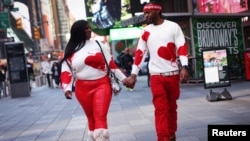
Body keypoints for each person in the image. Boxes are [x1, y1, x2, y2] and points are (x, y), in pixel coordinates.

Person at [124, 1, 189, 141]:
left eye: (148, 12)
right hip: (156, 77)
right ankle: (163, 138)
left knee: (172, 107)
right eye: (145, 12)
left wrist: (185, 66)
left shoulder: (173, 27)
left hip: (173, 75)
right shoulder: (146, 32)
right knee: (160, 109)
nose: (146, 15)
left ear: (157, 11)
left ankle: (171, 134)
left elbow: (182, 47)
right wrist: (133, 74)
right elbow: (140, 53)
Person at [60, 19, 127, 141]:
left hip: (102, 85)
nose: (89, 30)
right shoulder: (70, 50)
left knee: (100, 116)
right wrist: (67, 88)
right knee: (91, 118)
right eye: (86, 28)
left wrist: (124, 79)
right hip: (82, 88)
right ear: (78, 31)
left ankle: (102, 139)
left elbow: (110, 64)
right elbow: (66, 71)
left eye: (89, 27)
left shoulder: (98, 44)